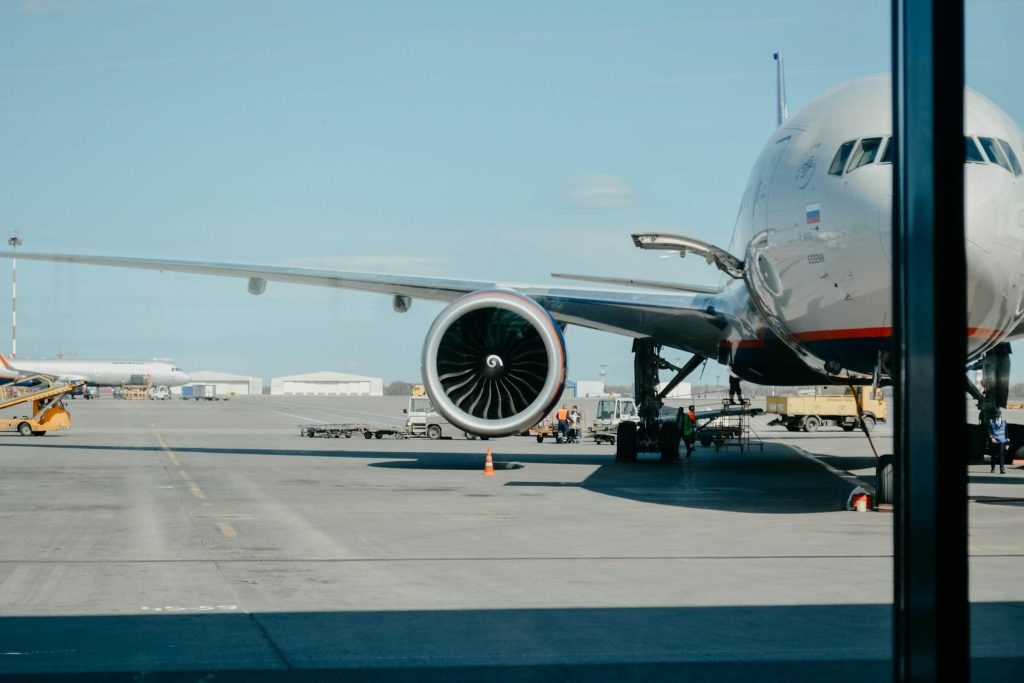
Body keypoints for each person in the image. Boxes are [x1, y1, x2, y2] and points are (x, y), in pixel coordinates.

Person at [988, 408, 1010, 474]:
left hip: (1002, 441)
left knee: (1001, 455)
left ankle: (1002, 468)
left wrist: (1008, 440)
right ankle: (993, 467)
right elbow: (989, 430)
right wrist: (991, 437)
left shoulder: (1004, 422)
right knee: (993, 455)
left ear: (1001, 415)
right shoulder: (991, 422)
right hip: (994, 440)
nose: (998, 416)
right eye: (996, 415)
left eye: (999, 415)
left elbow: (1006, 431)